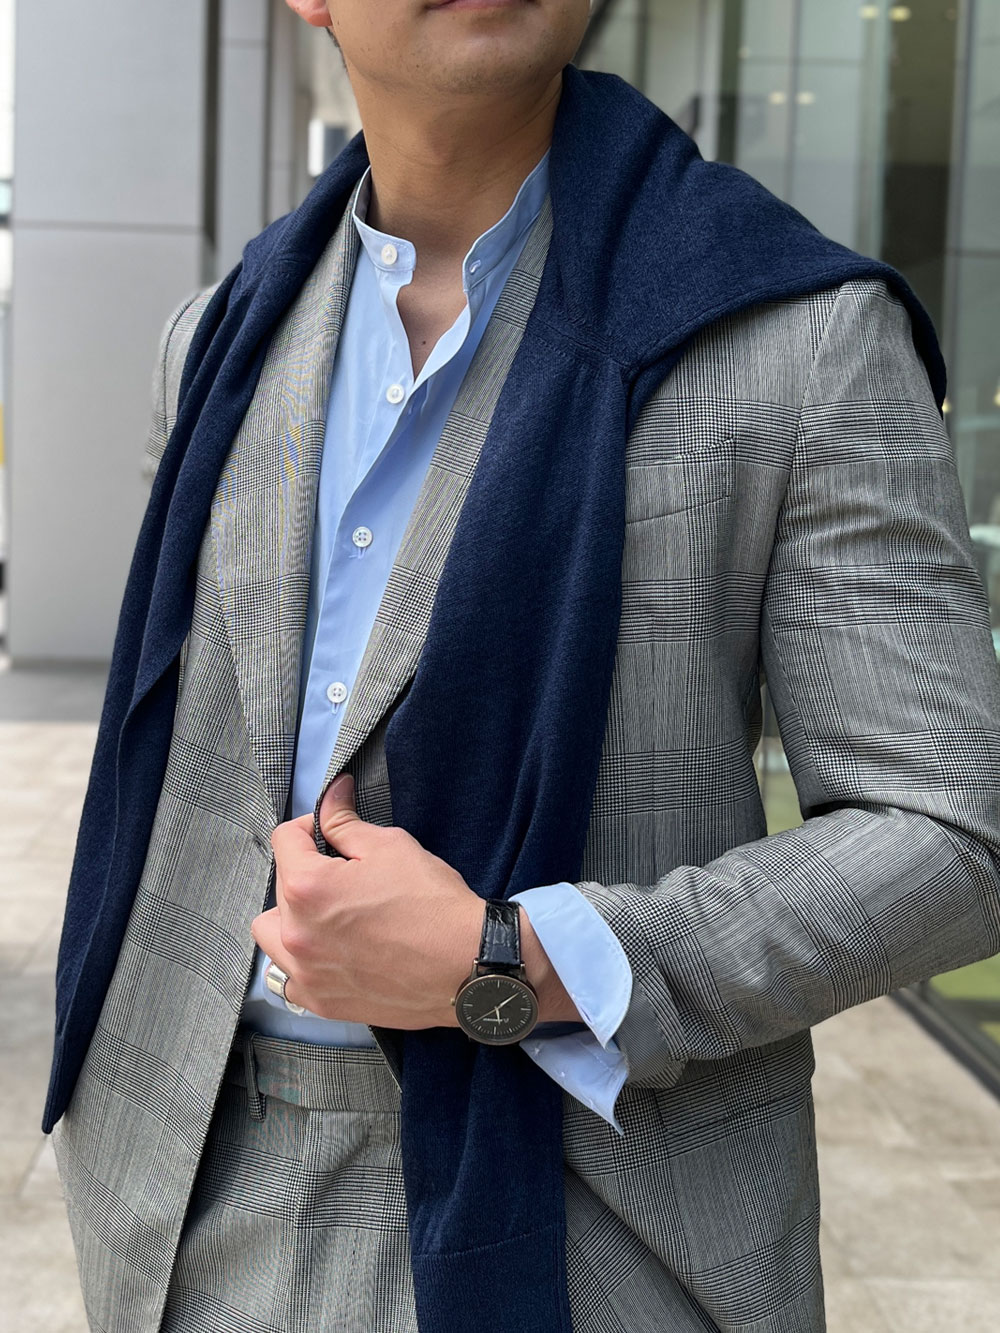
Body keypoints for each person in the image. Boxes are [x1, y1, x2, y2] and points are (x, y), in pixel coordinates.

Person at [46, 3, 1000, 1332]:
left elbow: (953, 837)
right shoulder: (217, 343)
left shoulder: (803, 335)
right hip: (189, 1206)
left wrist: (524, 959)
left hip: (595, 1223)